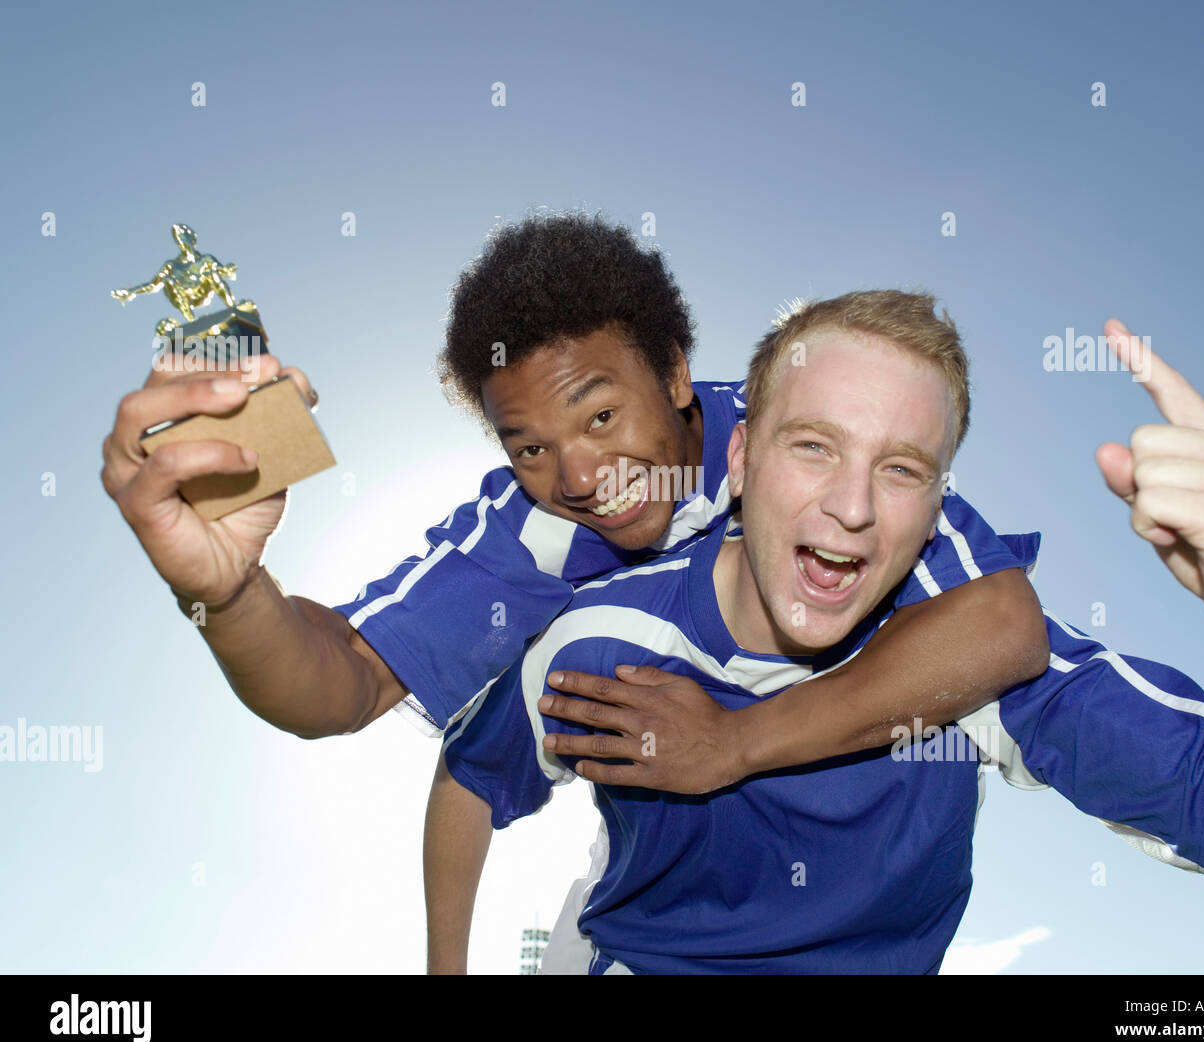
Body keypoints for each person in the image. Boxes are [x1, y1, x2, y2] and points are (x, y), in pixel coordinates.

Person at [100, 214, 1048, 968]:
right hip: (655, 922)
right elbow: (340, 685)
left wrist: (737, 744)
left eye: (600, 413)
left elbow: (1003, 624)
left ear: (676, 372)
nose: (581, 472)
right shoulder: (529, 534)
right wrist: (228, 595)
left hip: (872, 919)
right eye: (530, 447)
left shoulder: (811, 448)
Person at [436, 292, 1204, 973]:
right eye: (813, 446)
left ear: (938, 508)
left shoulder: (975, 675)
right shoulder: (604, 637)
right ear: (739, 459)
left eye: (900, 469)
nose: (851, 508)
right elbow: (472, 774)